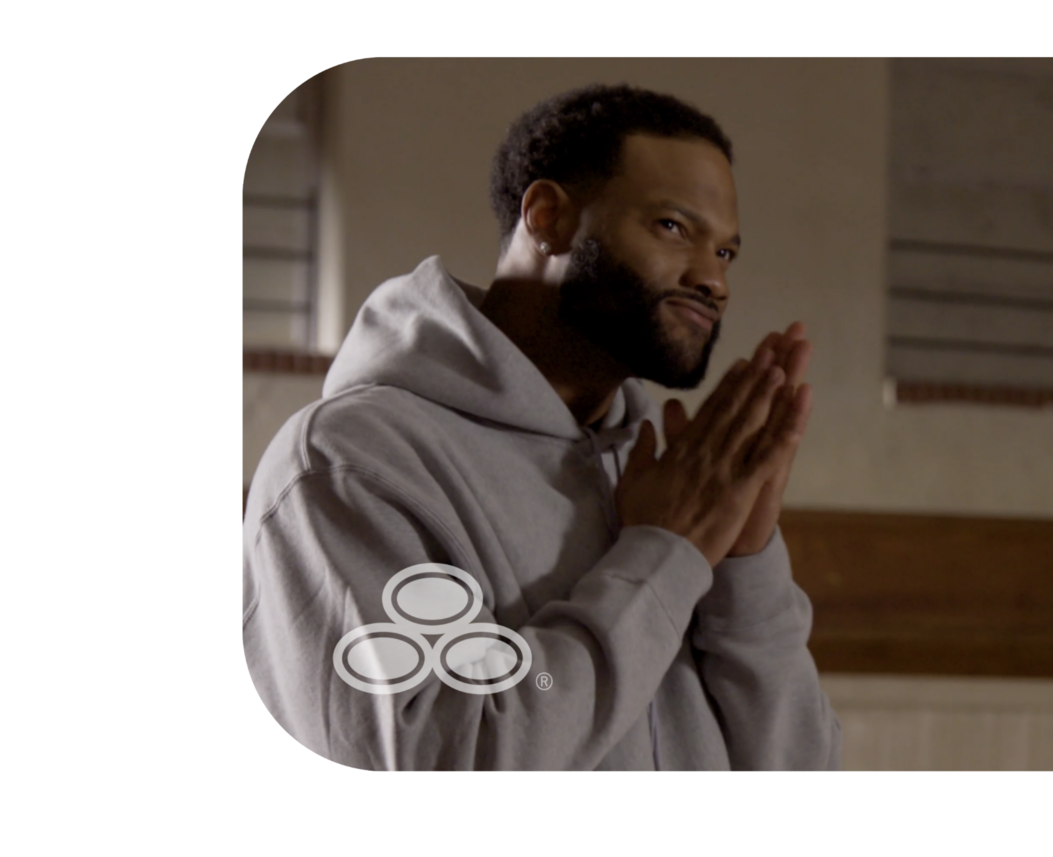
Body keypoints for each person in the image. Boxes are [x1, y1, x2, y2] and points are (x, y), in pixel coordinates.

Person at [242, 84, 840, 770]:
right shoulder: (350, 463)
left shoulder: (674, 478)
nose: (714, 280)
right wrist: (665, 558)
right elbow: (442, 761)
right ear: (549, 218)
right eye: (674, 228)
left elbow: (805, 770)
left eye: (726, 253)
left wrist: (744, 565)